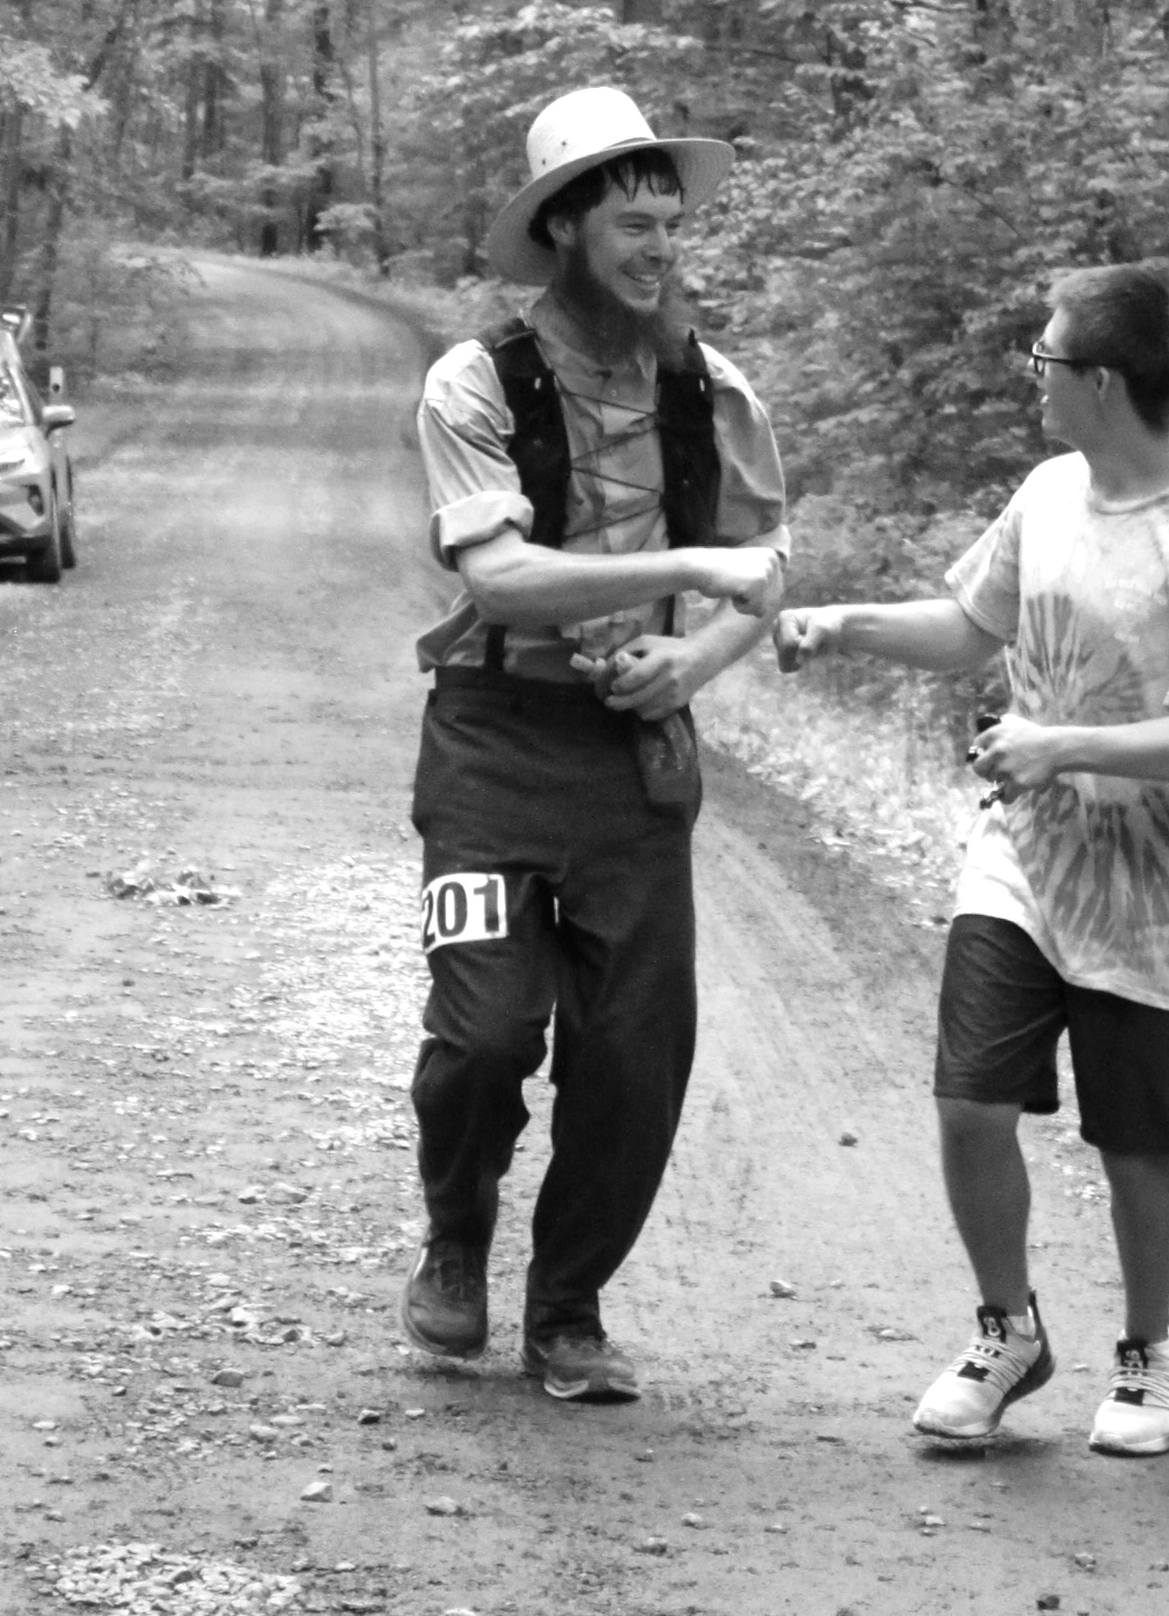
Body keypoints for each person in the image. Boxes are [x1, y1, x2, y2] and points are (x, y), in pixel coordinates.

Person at [772, 264, 1169, 1457]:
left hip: (1156, 900)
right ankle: (1008, 1329)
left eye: (1046, 360)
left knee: (1135, 1146)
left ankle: (1151, 1351)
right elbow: (968, 627)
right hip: (1022, 868)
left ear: (1102, 382)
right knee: (967, 1100)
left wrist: (1064, 742)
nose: (1034, 377)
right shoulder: (1049, 492)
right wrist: (839, 622)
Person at [399, 83, 790, 1404]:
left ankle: (567, 1311)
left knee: (637, 1050)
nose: (662, 249)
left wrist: (697, 656)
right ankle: (457, 1231)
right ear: (563, 226)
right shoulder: (474, 383)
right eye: (634, 222)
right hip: (489, 744)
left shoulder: (713, 388)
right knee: (483, 1031)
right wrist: (686, 560)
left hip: (634, 758)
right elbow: (500, 578)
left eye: (671, 223)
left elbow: (767, 567)